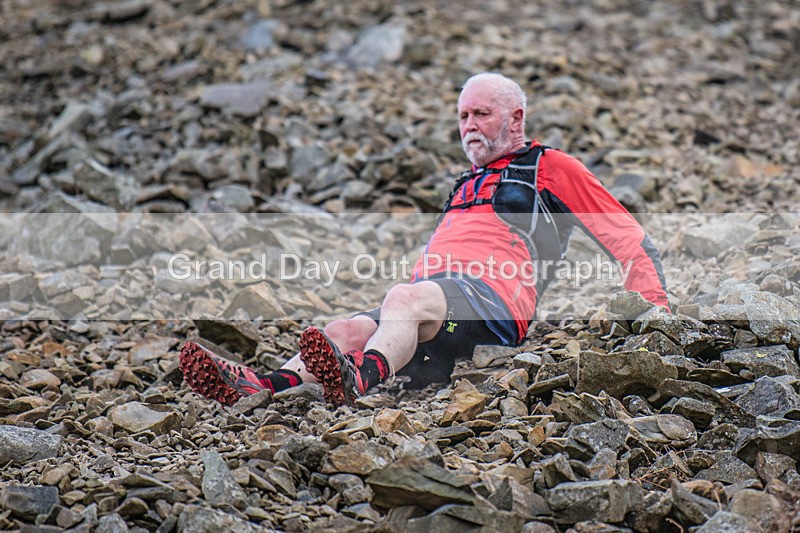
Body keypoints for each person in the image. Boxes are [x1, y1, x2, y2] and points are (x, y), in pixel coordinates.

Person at [179, 73, 669, 408]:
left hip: (495, 306)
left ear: (516, 118)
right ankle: (261, 387)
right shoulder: (463, 184)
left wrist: (657, 313)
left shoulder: (551, 167)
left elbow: (627, 239)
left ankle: (361, 379)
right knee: (344, 330)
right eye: (463, 117)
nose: (469, 126)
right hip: (437, 312)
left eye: (482, 114)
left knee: (403, 299)